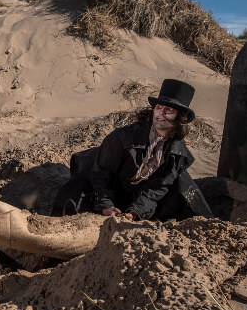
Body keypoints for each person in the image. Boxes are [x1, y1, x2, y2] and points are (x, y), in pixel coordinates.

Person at [52, 78, 213, 221]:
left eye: (169, 110)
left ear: (180, 118)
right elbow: (101, 174)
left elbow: (157, 189)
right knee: (70, 196)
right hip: (104, 183)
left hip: (137, 192)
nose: (161, 114)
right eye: (159, 107)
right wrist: (106, 205)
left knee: (186, 192)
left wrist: (135, 212)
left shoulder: (178, 153)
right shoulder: (124, 137)